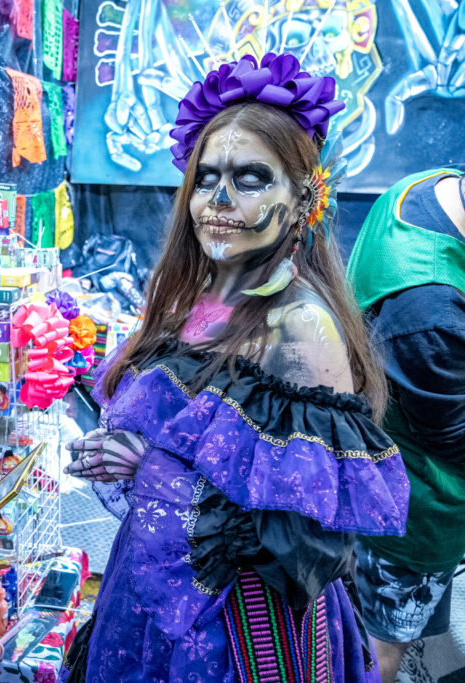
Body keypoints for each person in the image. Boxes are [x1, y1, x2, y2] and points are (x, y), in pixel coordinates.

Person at [58, 53, 409, 682]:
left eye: (250, 178)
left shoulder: (300, 325)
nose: (217, 200)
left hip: (240, 634)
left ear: (303, 198)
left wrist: (149, 467)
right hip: (154, 601)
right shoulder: (199, 297)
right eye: (206, 177)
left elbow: (309, 540)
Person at [347, 167, 465, 682]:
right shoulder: (429, 307)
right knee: (383, 640)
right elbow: (455, 436)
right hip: (415, 509)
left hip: (378, 460)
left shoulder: (429, 187)